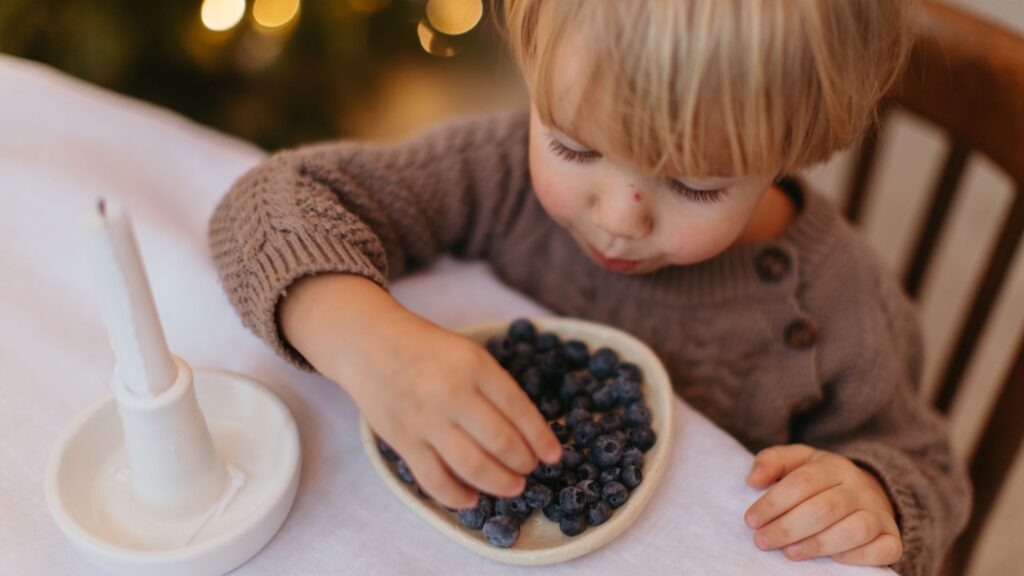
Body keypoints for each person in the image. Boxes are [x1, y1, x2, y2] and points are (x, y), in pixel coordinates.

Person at [208, 1, 968, 573]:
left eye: (694, 187)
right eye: (574, 146)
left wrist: (874, 492)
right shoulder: (497, 174)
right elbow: (264, 205)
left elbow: (927, 466)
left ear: (797, 146)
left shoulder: (835, 305)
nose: (616, 219)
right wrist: (369, 343)